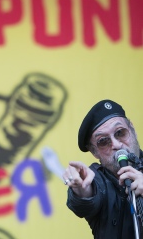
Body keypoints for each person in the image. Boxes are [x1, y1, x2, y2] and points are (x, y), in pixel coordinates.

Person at [63, 99, 143, 239]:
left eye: (120, 133)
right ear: (95, 152)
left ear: (132, 130)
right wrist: (82, 190)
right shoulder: (98, 179)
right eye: (103, 141)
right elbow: (88, 196)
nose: (116, 145)